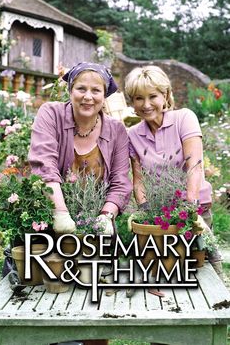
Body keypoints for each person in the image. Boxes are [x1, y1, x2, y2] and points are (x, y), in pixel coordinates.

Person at [28, 62, 132, 345]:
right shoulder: (51, 114)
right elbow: (43, 163)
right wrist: (60, 213)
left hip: (95, 233)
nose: (88, 96)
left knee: (95, 312)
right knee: (45, 308)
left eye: (95, 90)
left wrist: (106, 216)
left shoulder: (116, 130)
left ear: (105, 95)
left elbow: (121, 182)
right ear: (70, 90)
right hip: (51, 229)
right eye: (81, 88)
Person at [124, 65, 223, 281]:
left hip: (193, 213)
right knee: (163, 272)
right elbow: (138, 180)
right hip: (159, 216)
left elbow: (194, 167)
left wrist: (189, 208)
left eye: (153, 96)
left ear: (166, 95)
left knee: (205, 269)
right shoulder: (132, 134)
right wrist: (145, 210)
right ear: (132, 102)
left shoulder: (184, 118)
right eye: (139, 98)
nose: (146, 104)